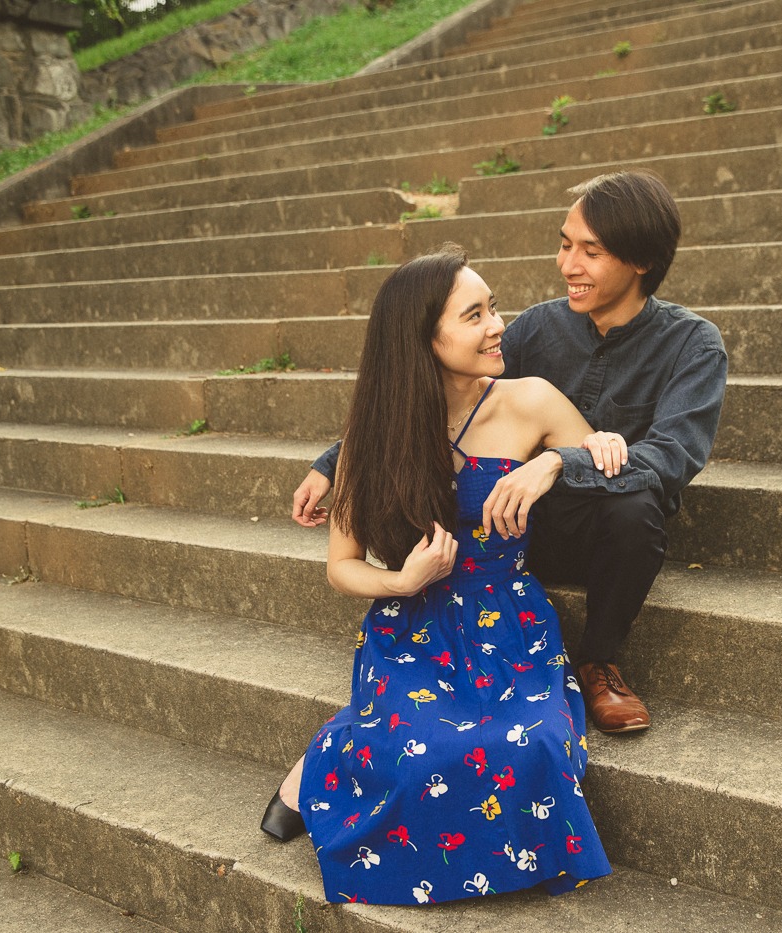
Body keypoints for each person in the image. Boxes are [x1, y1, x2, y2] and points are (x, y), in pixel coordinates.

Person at [294, 171, 727, 735]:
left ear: (640, 259)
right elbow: (438, 394)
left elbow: (671, 458)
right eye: (565, 243)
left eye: (590, 252)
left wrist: (556, 463)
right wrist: (337, 462)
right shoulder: (538, 327)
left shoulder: (693, 345)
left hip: (601, 529)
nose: (568, 264)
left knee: (636, 506)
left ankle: (597, 661)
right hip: (505, 522)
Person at [262, 246, 613, 905]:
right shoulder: (373, 435)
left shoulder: (530, 399)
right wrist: (400, 581)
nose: (496, 325)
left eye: (495, 308)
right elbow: (341, 566)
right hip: (412, 621)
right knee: (421, 750)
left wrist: (555, 463)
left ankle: (328, 761)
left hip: (509, 622)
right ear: (423, 339)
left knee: (536, 745)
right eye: (474, 314)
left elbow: (601, 460)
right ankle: (321, 760)